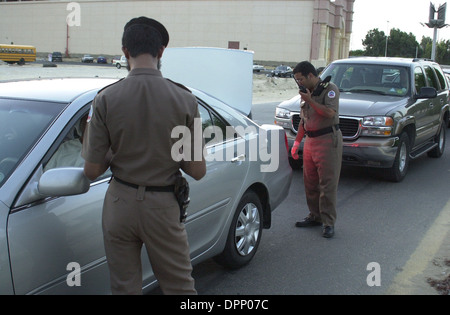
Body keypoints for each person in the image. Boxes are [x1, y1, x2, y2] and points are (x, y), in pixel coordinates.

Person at [81, 17, 206, 294]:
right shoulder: (185, 99)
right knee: (179, 287)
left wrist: (117, 150)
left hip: (119, 203)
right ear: (161, 51)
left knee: (124, 287)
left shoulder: (105, 98)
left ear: (125, 51)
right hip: (162, 205)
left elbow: (91, 170)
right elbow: (197, 170)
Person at [291, 61, 342, 238]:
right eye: (297, 80)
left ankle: (328, 222)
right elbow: (304, 121)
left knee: (327, 184)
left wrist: (310, 100)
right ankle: (315, 216)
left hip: (327, 139)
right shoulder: (307, 93)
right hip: (311, 141)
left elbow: (330, 113)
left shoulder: (330, 89)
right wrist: (297, 143)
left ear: (310, 76)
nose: (299, 83)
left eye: (301, 79)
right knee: (310, 182)